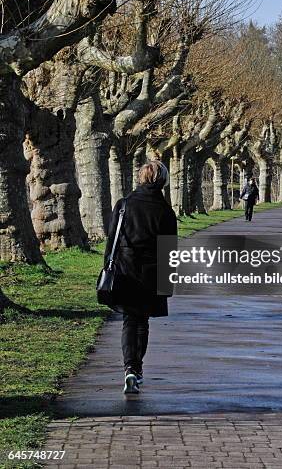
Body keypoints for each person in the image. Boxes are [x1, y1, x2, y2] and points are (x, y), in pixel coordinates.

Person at [104, 160, 177, 395]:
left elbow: (112, 240)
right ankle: (138, 369)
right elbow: (169, 249)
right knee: (142, 322)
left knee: (129, 320)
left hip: (125, 269)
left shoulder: (124, 205)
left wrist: (108, 266)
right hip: (151, 271)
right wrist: (168, 281)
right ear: (162, 181)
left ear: (141, 178)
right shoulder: (165, 210)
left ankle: (129, 369)